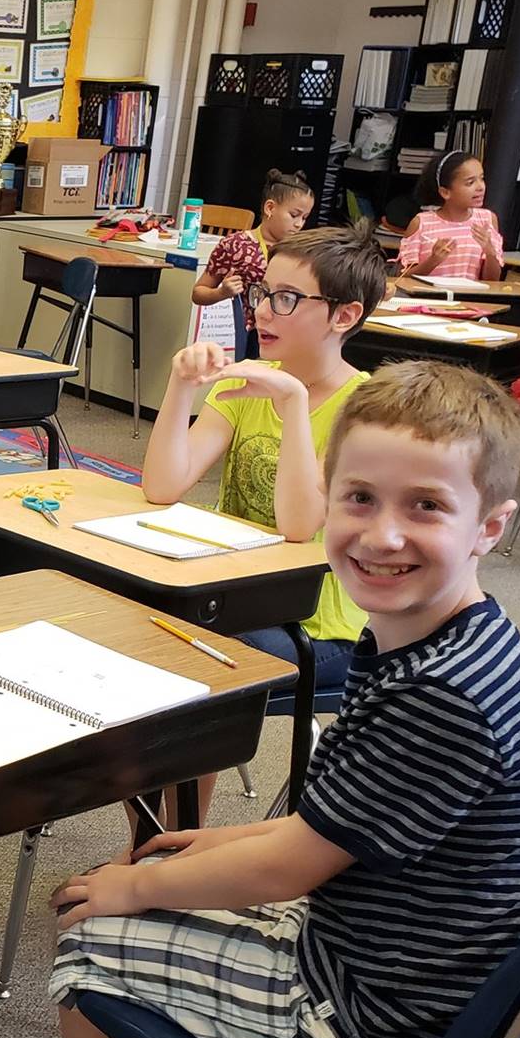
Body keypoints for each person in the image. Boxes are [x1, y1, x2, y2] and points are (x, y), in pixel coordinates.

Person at [0, 360, 520, 1038]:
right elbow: (334, 828)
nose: (382, 535)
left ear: (490, 527)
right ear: (326, 498)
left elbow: (289, 871)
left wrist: (133, 883)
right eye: (359, 499)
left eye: (425, 506)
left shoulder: (440, 700)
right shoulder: (458, 645)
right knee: (169, 892)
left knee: (92, 935)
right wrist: (210, 843)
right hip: (443, 995)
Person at [142, 224, 388, 819]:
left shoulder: (366, 408)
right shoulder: (252, 382)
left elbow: (301, 526)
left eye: (286, 298)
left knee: (187, 670)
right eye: (262, 293)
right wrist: (181, 385)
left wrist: (294, 406)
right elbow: (162, 485)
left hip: (323, 622)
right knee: (134, 638)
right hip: (236, 593)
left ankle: (175, 846)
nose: (263, 311)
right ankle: (157, 844)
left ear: (343, 315)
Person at [189, 169, 315, 318]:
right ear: (270, 208)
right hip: (248, 333)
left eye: (304, 218)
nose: (299, 224)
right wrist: (221, 293)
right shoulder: (235, 245)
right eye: (294, 215)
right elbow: (198, 293)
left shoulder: (301, 251)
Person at [397, 150, 504, 282]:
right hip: (428, 299)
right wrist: (433, 260)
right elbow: (403, 279)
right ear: (445, 192)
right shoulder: (421, 223)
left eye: (481, 179)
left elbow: (492, 281)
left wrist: (490, 251)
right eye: (470, 182)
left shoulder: (487, 220)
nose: (480, 187)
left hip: (469, 299)